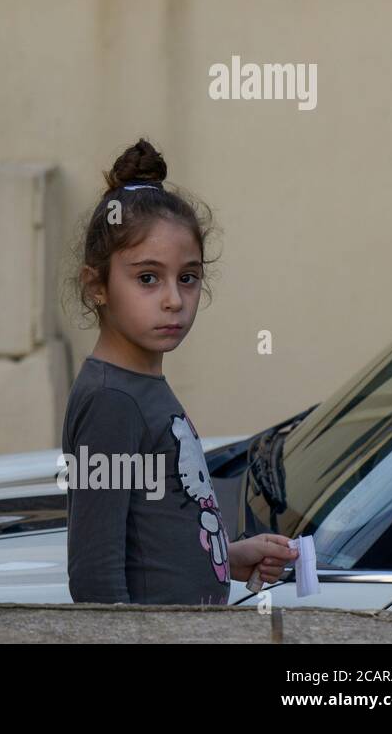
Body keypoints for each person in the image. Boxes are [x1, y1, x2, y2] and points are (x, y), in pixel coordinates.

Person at [62, 137, 295, 604]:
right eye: (147, 278)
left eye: (187, 277)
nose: (173, 299)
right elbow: (95, 575)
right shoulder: (112, 401)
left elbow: (151, 537)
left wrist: (227, 557)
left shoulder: (141, 386)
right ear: (97, 286)